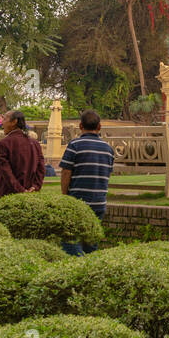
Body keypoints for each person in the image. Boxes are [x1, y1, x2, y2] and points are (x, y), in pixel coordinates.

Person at [59, 110, 115, 256]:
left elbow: (66, 172)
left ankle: (78, 264)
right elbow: (107, 174)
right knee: (91, 240)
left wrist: (65, 196)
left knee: (69, 238)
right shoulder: (108, 150)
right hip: (99, 203)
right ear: (99, 127)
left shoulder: (75, 145)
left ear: (80, 126)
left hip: (78, 201)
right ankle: (88, 266)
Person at [0, 110, 45, 200]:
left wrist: (20, 190)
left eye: (4, 119)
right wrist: (35, 186)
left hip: (7, 194)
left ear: (14, 122)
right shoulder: (35, 143)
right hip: (31, 194)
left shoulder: (4, 143)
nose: (1, 123)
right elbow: (41, 169)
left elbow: (6, 171)